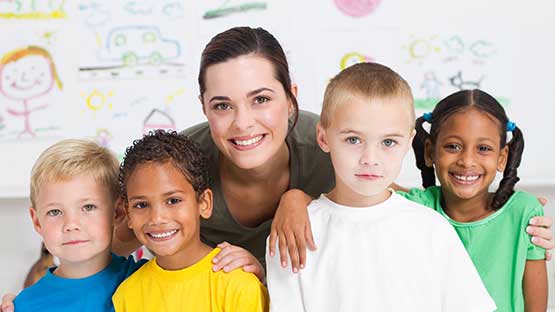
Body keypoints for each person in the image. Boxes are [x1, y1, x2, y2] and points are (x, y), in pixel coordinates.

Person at [266, 62, 496, 311]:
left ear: (408, 142)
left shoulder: (432, 229)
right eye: (353, 139)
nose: (370, 158)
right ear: (323, 137)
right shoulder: (294, 235)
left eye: (388, 142)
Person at [405, 89, 547, 311]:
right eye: (453, 146)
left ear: (502, 157)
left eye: (483, 148)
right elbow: (360, 186)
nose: (467, 161)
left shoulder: (524, 213)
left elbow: (536, 306)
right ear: (430, 151)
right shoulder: (415, 208)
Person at [113, 130, 268, 312]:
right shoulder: (126, 294)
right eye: (141, 205)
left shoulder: (238, 286)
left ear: (204, 203)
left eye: (173, 201)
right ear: (128, 214)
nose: (157, 218)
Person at [12, 139, 146, 312]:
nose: (71, 225)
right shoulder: (24, 306)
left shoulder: (147, 280)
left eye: (88, 207)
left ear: (118, 212)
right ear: (37, 221)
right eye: (55, 212)